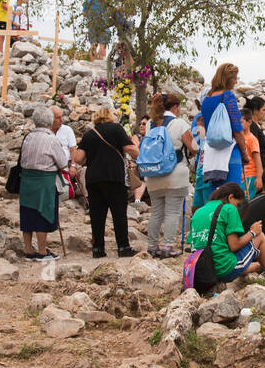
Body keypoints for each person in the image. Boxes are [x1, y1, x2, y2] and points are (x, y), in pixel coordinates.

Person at [72, 103, 137, 258]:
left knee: (97, 215)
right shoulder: (116, 129)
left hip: (94, 180)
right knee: (118, 213)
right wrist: (139, 154)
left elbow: (78, 158)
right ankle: (123, 247)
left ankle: (98, 249)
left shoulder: (89, 134)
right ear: (110, 117)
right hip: (114, 178)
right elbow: (130, 149)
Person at [188, 182, 265, 285]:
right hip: (223, 270)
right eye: (238, 204)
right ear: (230, 197)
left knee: (227, 255)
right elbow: (234, 245)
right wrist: (253, 232)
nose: (237, 208)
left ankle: (260, 265)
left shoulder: (199, 211)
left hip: (201, 270)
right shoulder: (229, 208)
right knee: (260, 236)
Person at [143, 92, 196, 258]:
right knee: (172, 212)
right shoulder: (179, 123)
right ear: (175, 107)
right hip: (175, 174)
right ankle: (167, 247)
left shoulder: (151, 124)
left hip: (153, 175)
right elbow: (193, 147)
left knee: (156, 212)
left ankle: (152, 246)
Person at [18, 105, 69, 260]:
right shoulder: (51, 139)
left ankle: (28, 249)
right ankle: (41, 251)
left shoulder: (28, 137)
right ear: (49, 121)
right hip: (44, 182)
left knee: (27, 213)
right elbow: (62, 162)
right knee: (42, 213)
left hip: (27, 180)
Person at [199, 63, 252, 192]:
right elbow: (237, 129)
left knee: (216, 197)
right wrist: (244, 154)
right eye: (234, 78)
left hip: (212, 155)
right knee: (232, 196)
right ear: (228, 79)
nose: (236, 82)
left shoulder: (206, 100)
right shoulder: (228, 96)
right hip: (229, 152)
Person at [50, 105, 84, 206]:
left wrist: (73, 165)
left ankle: (86, 199)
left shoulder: (67, 130)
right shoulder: (46, 131)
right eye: (58, 118)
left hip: (68, 162)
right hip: (52, 164)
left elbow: (73, 149)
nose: (62, 120)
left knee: (83, 173)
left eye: (62, 117)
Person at [244, 95, 265, 168]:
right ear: (256, 111)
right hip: (257, 169)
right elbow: (254, 150)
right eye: (263, 110)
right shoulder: (252, 127)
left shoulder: (256, 126)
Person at [240, 108, 263, 198]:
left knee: (245, 200)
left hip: (250, 175)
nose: (238, 124)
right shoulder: (239, 138)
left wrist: (259, 177)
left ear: (249, 122)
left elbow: (258, 160)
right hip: (241, 176)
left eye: (241, 122)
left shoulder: (251, 139)